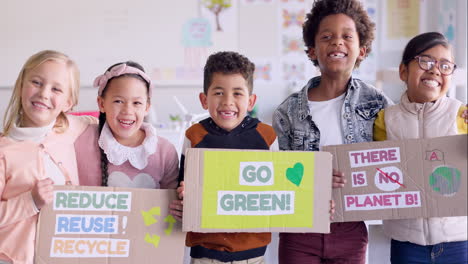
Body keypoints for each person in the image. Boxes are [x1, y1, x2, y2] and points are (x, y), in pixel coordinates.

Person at [272, 0, 392, 263]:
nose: (337, 42)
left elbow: (397, 152)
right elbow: (280, 175)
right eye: (327, 37)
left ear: (362, 50)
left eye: (347, 36)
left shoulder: (378, 104)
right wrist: (313, 181)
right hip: (299, 228)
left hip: (351, 227)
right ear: (312, 50)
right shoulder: (287, 112)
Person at [170, 51, 278, 264]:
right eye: (218, 92)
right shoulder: (194, 136)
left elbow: (279, 191)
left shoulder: (267, 137)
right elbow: (181, 186)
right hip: (205, 253)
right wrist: (183, 198)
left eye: (237, 93)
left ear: (251, 101)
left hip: (253, 253)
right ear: (204, 99)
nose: (227, 102)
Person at [373, 32, 467, 264]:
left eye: (445, 65)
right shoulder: (386, 119)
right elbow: (375, 170)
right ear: (403, 71)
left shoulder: (461, 115)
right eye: (426, 61)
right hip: (406, 241)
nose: (435, 70)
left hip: (458, 239)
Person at [0, 50, 96, 264]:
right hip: (14, 258)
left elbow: (112, 125)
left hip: (64, 255)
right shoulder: (4, 150)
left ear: (68, 103)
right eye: (36, 82)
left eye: (56, 89)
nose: (44, 93)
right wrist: (30, 202)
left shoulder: (72, 128)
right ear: (21, 85)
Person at [75, 61, 178, 189]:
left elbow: (171, 201)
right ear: (101, 104)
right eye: (118, 101)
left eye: (137, 103)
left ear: (147, 107)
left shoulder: (165, 152)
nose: (127, 111)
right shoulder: (81, 140)